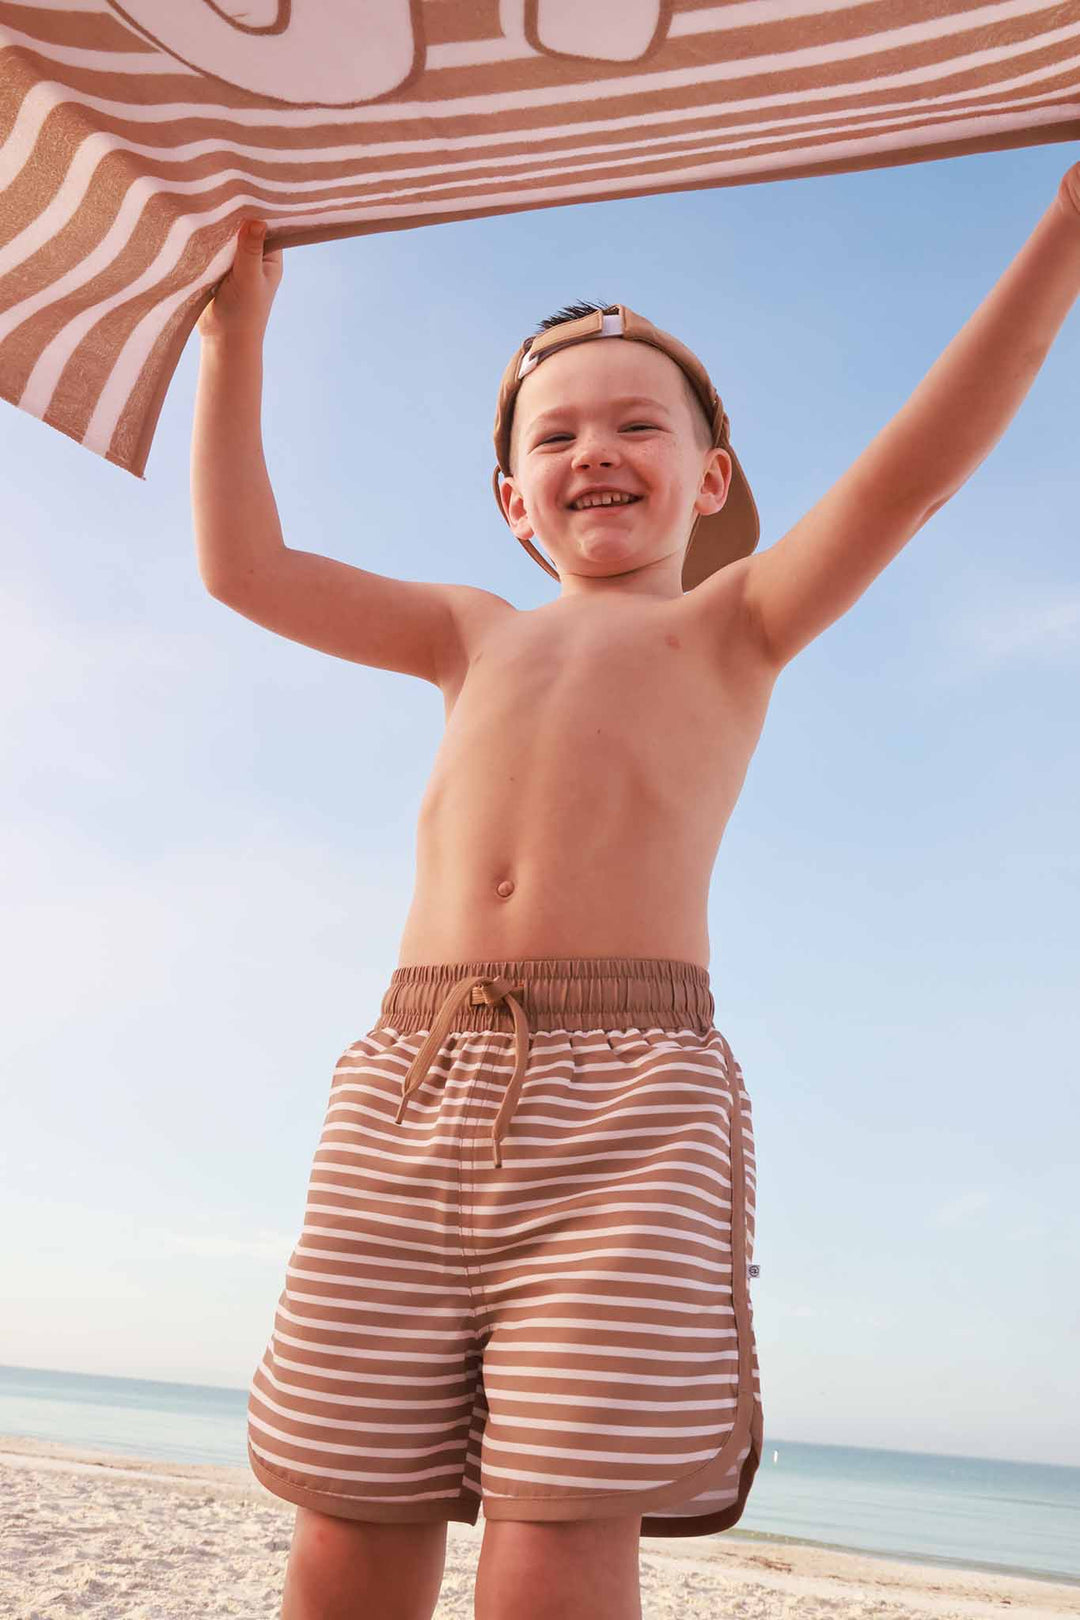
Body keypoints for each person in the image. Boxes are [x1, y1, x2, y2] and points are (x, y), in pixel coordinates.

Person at [190, 167, 1080, 1620]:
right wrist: (237, 340)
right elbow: (244, 568)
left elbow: (915, 467)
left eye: (636, 423)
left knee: (559, 1535)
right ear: (511, 496)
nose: (594, 449)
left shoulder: (737, 624)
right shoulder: (466, 632)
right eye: (557, 433)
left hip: (629, 1110)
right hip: (411, 1084)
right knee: (349, 1517)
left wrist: (1064, 227)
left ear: (709, 477)